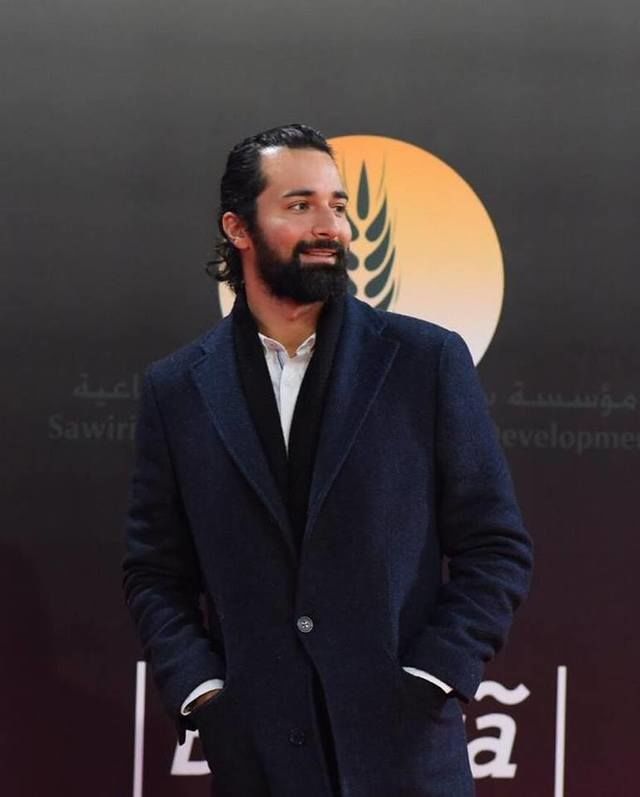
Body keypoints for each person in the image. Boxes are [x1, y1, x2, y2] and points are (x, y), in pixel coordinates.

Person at [123, 123, 533, 797]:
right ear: (237, 227)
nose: (330, 226)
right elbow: (154, 572)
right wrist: (203, 692)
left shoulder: (425, 362)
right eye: (300, 204)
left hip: (407, 760)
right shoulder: (178, 389)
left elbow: (496, 546)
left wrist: (434, 674)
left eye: (338, 205)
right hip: (257, 764)